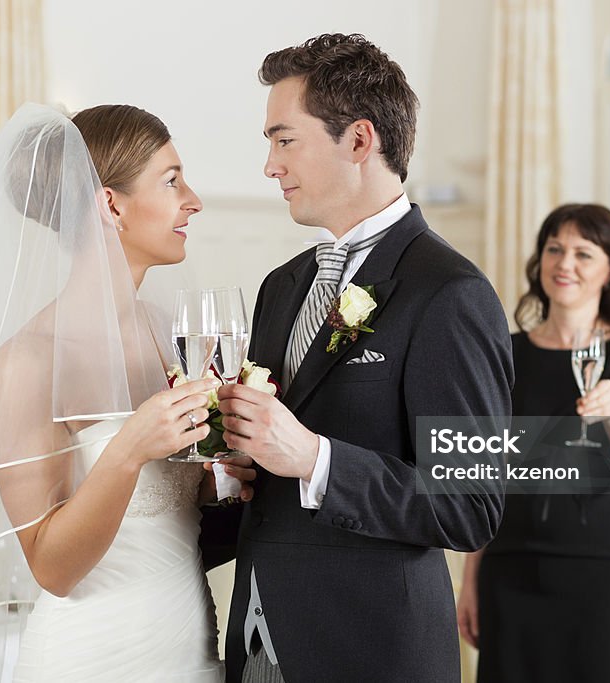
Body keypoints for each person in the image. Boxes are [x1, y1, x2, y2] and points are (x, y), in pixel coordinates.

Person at [0, 104, 237, 681]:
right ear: (111, 205)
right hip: (88, 658)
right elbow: (52, 568)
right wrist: (128, 448)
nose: (193, 200)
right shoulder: (26, 361)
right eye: (171, 181)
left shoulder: (175, 336)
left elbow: (181, 513)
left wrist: (236, 477)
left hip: (191, 650)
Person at [213, 34, 512, 682]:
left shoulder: (451, 294)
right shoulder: (282, 285)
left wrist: (315, 459)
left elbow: (472, 503)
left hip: (371, 650)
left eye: (284, 139)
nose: (270, 165)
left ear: (358, 140)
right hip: (257, 645)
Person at [456, 203, 610, 682]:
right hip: (511, 568)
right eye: (555, 249)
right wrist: (470, 581)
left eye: (583, 253)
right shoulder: (506, 351)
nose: (564, 264)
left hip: (599, 569)